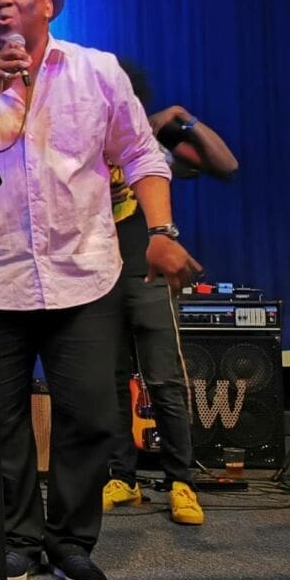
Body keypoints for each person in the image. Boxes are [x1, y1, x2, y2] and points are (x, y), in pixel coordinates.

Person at [0, 0, 201, 580]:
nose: (1, 0)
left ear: (49, 6)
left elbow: (141, 152)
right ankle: (17, 540)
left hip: (84, 274)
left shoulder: (97, 71)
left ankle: (71, 541)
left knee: (91, 415)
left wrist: (161, 232)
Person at [104, 60, 238, 524]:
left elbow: (226, 165)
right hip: (97, 275)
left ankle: (181, 482)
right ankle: (123, 479)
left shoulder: (150, 140)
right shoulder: (86, 136)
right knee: (110, 382)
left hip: (147, 274)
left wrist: (183, 116)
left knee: (164, 380)